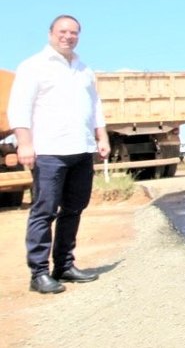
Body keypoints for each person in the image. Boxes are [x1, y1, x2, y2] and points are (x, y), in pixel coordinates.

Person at [9, 15, 110, 294]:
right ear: (51, 33)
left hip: (81, 148)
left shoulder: (84, 69)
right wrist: (25, 144)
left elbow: (95, 106)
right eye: (63, 31)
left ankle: (64, 265)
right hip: (49, 151)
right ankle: (38, 273)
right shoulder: (33, 66)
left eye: (74, 32)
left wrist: (102, 137)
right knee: (44, 211)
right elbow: (19, 107)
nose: (68, 36)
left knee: (74, 209)